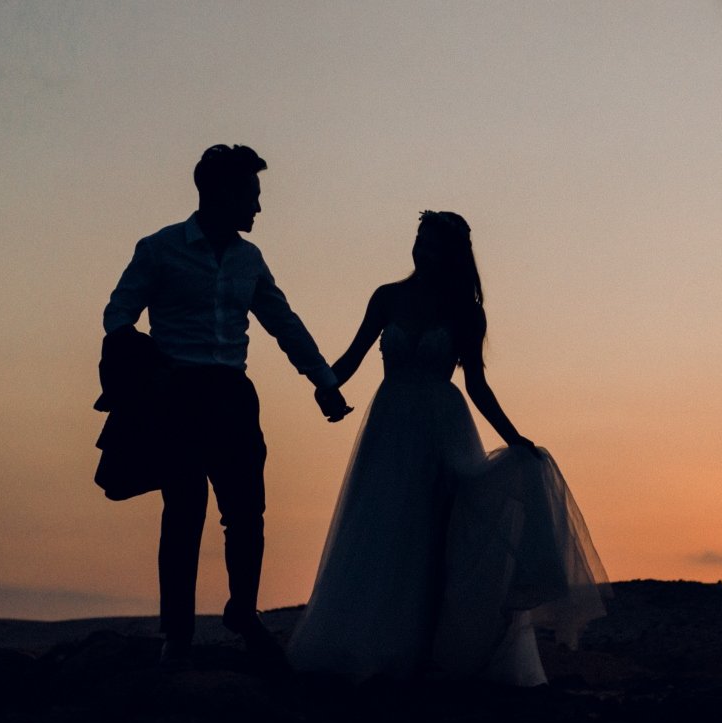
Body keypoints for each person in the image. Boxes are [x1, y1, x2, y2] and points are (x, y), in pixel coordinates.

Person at [287, 211, 608, 684]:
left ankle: (437, 654)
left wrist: (514, 438)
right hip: (390, 426)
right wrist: (323, 384)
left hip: (443, 429)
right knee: (383, 529)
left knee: (439, 532)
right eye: (419, 239)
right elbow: (352, 357)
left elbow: (476, 383)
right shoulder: (387, 297)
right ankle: (374, 643)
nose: (422, 250)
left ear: (453, 254)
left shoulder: (465, 311)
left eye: (433, 243)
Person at [103, 144, 350, 672]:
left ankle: (242, 612)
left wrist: (324, 382)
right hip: (176, 393)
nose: (258, 208)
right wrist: (140, 357)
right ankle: (177, 633)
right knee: (184, 510)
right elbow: (118, 311)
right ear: (222, 194)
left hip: (233, 396)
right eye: (252, 196)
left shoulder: (249, 259)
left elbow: (283, 322)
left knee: (246, 513)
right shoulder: (159, 248)